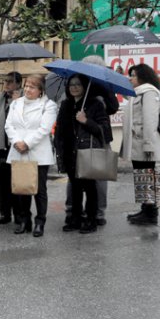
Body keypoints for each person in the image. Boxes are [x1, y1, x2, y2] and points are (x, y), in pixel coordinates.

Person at [63, 55, 118, 227]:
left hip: (96, 137)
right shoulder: (78, 84)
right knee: (83, 176)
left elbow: (111, 108)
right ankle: (82, 212)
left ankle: (87, 212)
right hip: (81, 138)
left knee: (93, 176)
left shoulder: (100, 88)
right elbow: (113, 107)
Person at [54, 74, 111, 234]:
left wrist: (86, 121)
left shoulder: (95, 105)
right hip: (70, 152)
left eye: (78, 84)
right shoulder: (66, 104)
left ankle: (91, 219)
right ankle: (76, 218)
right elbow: (60, 128)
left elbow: (104, 130)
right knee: (75, 188)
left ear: (85, 86)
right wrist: (58, 145)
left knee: (90, 187)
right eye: (71, 84)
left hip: (87, 152)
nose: (74, 87)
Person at [4, 75, 57, 237]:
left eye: (32, 87)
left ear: (40, 91)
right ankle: (23, 220)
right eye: (26, 86)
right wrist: (17, 142)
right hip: (18, 151)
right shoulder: (16, 103)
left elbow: (44, 129)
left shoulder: (48, 105)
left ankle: (40, 222)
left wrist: (26, 143)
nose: (27, 89)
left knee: (39, 190)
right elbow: (9, 125)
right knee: (21, 188)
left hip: (38, 153)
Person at [121, 63, 160, 225]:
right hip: (137, 143)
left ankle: (151, 214)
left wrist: (148, 145)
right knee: (143, 177)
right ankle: (145, 209)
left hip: (144, 144)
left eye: (133, 75)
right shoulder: (138, 93)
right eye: (130, 75)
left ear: (143, 77)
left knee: (148, 177)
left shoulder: (149, 94)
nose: (131, 78)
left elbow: (150, 121)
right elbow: (128, 98)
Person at [0, 71, 22, 225]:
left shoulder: (24, 99)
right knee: (4, 181)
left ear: (19, 84)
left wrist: (18, 103)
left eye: (10, 81)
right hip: (1, 145)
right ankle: (5, 212)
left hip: (18, 146)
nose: (6, 84)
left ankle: (19, 212)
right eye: (5, 80)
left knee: (19, 181)